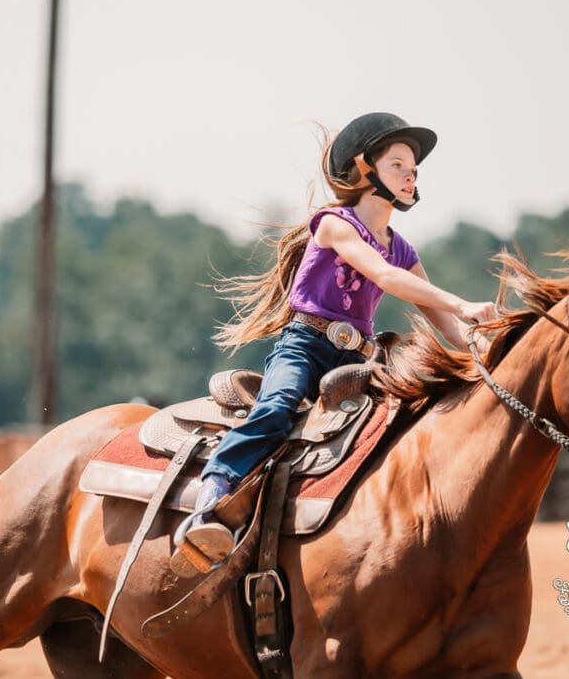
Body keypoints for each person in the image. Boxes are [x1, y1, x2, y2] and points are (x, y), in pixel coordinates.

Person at [170, 112, 497, 576]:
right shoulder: (334, 224)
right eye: (399, 165)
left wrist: (489, 350)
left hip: (358, 359)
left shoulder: (402, 247)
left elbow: (447, 326)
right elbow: (385, 277)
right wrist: (465, 304)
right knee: (279, 405)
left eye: (414, 170)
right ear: (367, 170)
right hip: (304, 347)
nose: (411, 175)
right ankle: (211, 496)